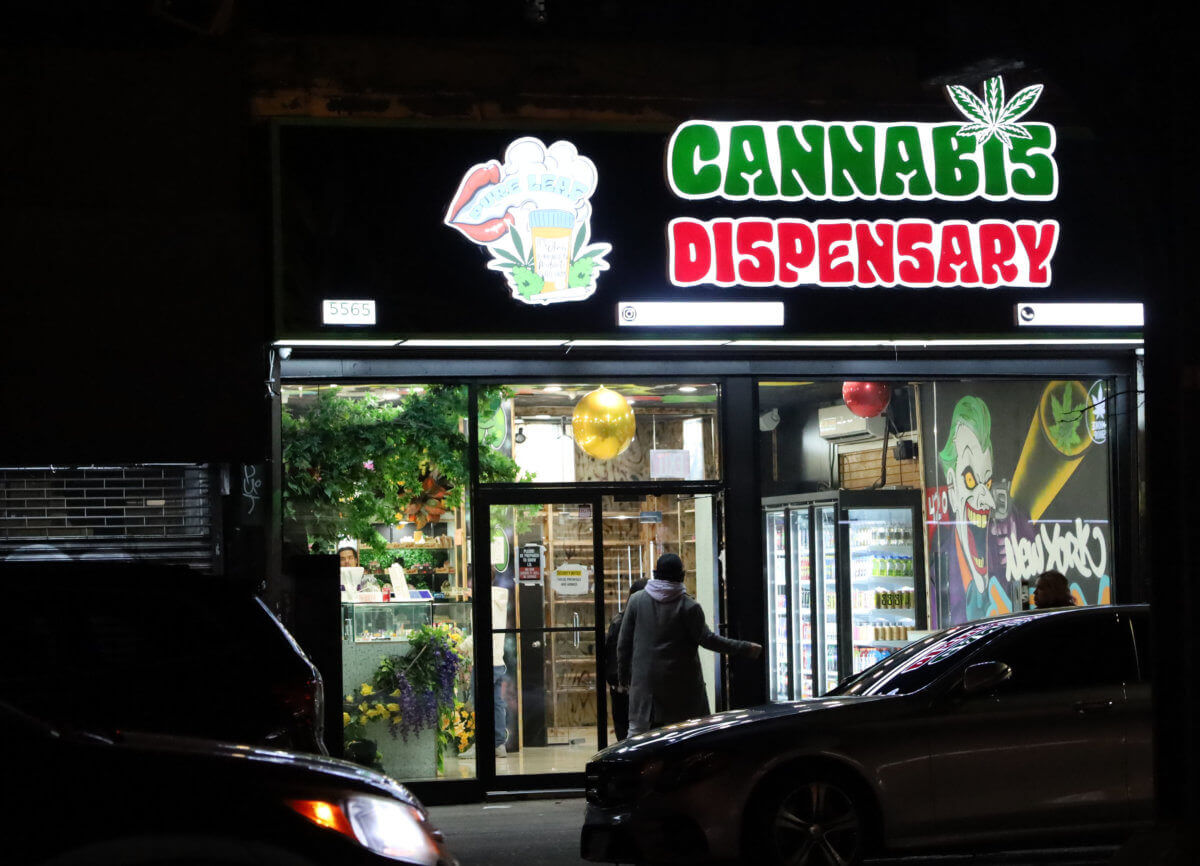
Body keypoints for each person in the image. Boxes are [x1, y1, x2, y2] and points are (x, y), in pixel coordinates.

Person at [617, 553, 762, 737]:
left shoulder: (637, 601)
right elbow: (709, 640)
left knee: (638, 738)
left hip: (645, 691)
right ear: (682, 576)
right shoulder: (689, 606)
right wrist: (745, 648)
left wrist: (624, 678)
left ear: (655, 573)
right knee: (686, 738)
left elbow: (623, 644)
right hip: (682, 691)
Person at [604, 578, 648, 741]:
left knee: (625, 733)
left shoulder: (619, 620)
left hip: (623, 687)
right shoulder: (629, 622)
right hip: (629, 686)